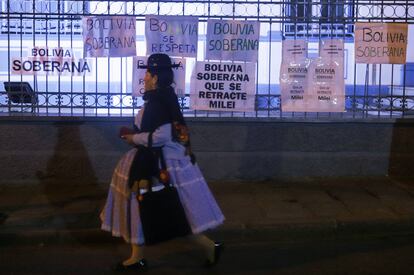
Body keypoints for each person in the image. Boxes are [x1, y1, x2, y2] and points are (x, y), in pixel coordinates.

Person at [100, 53, 225, 271]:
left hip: (159, 163)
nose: (144, 77)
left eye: (147, 73)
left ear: (155, 77)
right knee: (156, 208)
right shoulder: (164, 97)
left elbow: (161, 136)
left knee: (165, 210)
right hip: (161, 159)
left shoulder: (158, 102)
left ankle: (207, 246)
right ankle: (137, 256)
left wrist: (133, 138)